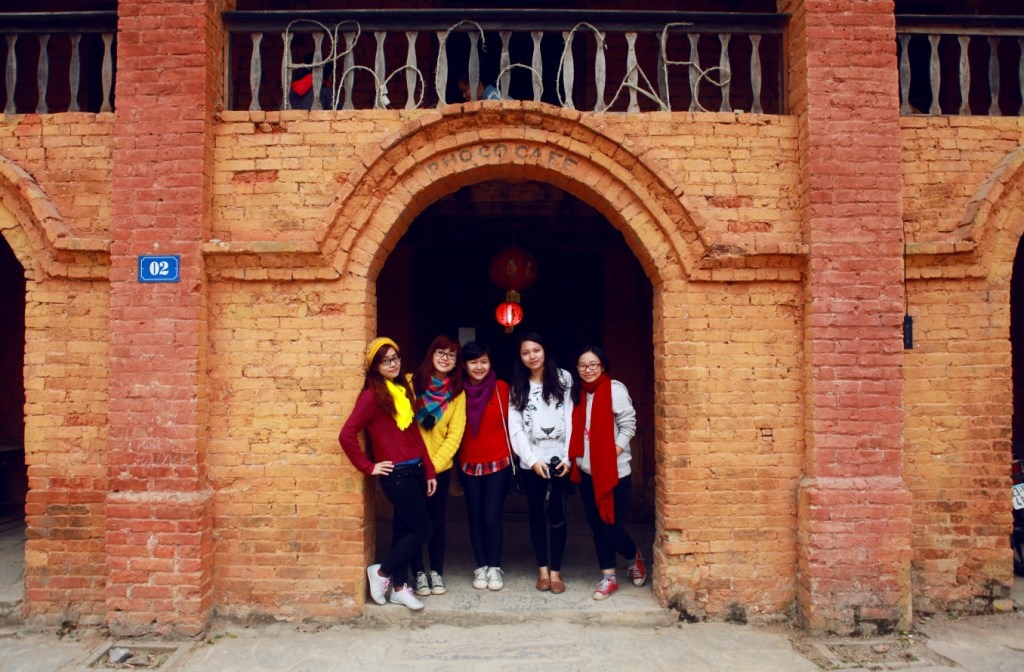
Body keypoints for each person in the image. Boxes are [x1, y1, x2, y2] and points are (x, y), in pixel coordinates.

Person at [338, 337, 437, 611]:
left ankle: (399, 588)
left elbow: (415, 435)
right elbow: (346, 435)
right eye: (385, 361)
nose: (393, 364)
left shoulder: (402, 392)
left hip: (416, 471)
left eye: (395, 358)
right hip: (396, 475)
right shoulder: (371, 396)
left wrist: (429, 470)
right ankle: (382, 571)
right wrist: (368, 466)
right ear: (375, 366)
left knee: (404, 530)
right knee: (424, 529)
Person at [568, 345, 647, 600]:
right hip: (587, 473)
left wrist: (612, 453)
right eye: (583, 365)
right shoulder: (579, 393)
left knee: (612, 527)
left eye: (593, 365)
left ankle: (632, 556)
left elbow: (628, 425)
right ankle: (609, 577)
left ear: (602, 366)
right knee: (596, 526)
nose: (588, 370)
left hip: (615, 473)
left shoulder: (614, 389)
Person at [508, 332, 573, 594]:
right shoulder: (518, 385)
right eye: (525, 352)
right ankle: (542, 571)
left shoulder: (564, 378)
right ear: (520, 357)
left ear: (545, 350)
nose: (532, 356)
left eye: (536, 350)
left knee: (558, 516)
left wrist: (568, 457)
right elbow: (515, 428)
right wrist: (531, 460)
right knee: (537, 515)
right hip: (532, 462)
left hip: (560, 460)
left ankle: (556, 571)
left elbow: (571, 416)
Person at [406, 335, 466, 597]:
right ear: (431, 354)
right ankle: (418, 572)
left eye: (451, 355)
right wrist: (419, 464)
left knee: (436, 522)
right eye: (440, 352)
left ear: (456, 362)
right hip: (410, 466)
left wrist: (434, 466)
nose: (445, 358)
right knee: (413, 522)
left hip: (439, 470)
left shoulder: (457, 393)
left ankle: (436, 571)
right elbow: (403, 426)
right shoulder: (410, 383)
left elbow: (455, 434)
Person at [458, 341, 513, 591]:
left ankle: (494, 566)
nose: (479, 367)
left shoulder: (501, 388)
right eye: (473, 362)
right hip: (469, 462)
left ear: (490, 363)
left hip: (498, 461)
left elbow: (515, 423)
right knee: (475, 516)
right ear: (464, 365)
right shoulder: (458, 390)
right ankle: (480, 566)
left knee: (491, 516)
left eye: (484, 361)